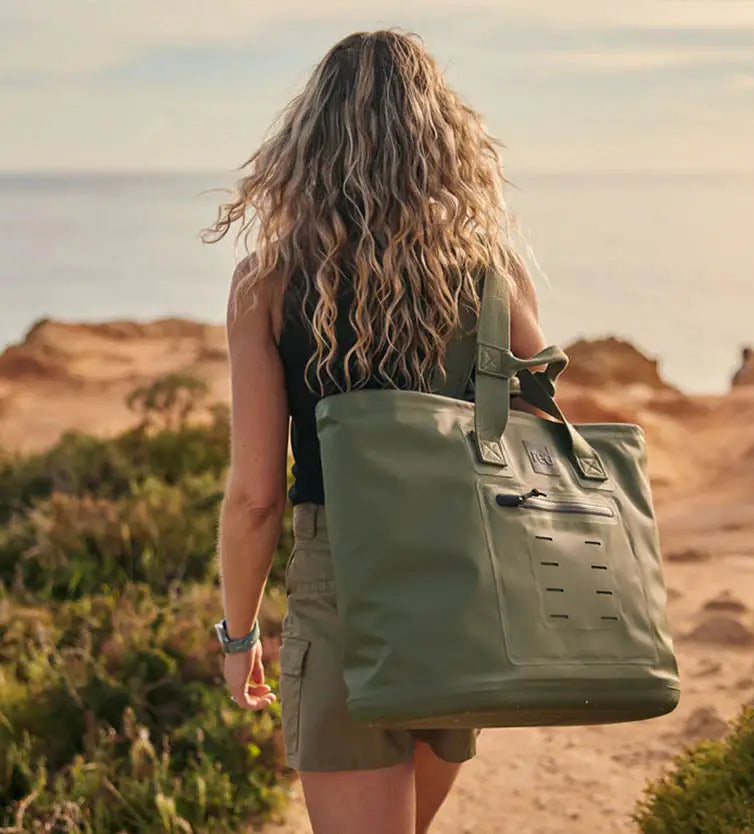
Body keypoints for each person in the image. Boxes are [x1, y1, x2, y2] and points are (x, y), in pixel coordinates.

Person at [201, 30, 547, 834]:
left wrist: (239, 635)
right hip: (461, 585)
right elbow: (540, 427)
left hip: (345, 589)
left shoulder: (269, 282)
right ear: (444, 143)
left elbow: (256, 498)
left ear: (307, 144)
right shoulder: (493, 274)